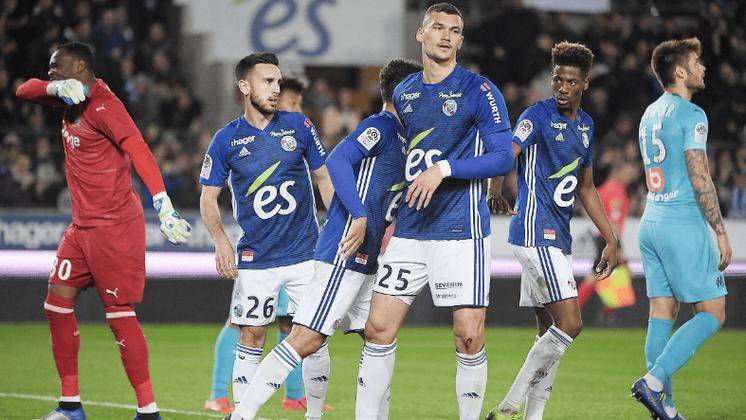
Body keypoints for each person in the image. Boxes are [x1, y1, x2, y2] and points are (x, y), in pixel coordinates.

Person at [228, 58, 422, 420]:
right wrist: (359, 215)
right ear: (403, 94)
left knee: (380, 336)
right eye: (419, 89)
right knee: (307, 338)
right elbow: (337, 161)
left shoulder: (405, 137)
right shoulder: (379, 126)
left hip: (369, 256)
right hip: (344, 251)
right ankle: (240, 415)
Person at [16, 41, 192, 420]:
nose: (50, 72)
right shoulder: (67, 98)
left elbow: (139, 149)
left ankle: (148, 412)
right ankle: (70, 406)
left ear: (80, 65)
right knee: (56, 304)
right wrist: (53, 87)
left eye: (57, 67)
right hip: (81, 228)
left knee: (119, 315)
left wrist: (163, 204)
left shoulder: (105, 106)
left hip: (115, 228)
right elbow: (23, 90)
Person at [356, 4, 515, 420]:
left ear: (461, 40)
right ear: (420, 34)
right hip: (410, 231)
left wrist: (444, 169)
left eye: (454, 30)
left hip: (462, 231)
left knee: (468, 337)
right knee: (377, 329)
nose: (446, 35)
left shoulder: (480, 90)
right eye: (438, 27)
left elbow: (502, 157)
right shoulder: (405, 93)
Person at [485, 41, 618, 419]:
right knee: (571, 324)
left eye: (571, 82)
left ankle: (534, 415)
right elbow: (507, 153)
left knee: (550, 332)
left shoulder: (586, 126)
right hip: (534, 231)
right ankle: (508, 407)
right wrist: (495, 189)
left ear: (585, 84)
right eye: (557, 80)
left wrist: (611, 237)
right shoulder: (536, 115)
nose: (562, 88)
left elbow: (586, 188)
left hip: (557, 236)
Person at [199, 52, 333, 415]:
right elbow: (208, 198)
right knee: (250, 335)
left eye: (278, 82)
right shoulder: (226, 140)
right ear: (245, 86)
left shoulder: (299, 126)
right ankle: (242, 411)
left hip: (306, 255)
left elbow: (324, 179)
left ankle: (313, 412)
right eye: (267, 82)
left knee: (314, 338)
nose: (275, 89)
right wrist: (221, 241)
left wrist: (339, 227)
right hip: (256, 258)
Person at [630, 37, 731, 420]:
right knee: (713, 312)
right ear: (680, 72)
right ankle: (653, 382)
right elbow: (700, 175)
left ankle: (666, 408)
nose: (702, 67)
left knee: (662, 310)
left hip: (651, 220)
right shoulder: (692, 115)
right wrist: (720, 230)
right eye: (696, 62)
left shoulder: (650, 113)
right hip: (681, 221)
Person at [577, 160, 639, 318]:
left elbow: (587, 208)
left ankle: (606, 312)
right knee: (601, 276)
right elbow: (613, 223)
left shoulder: (605, 188)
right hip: (609, 239)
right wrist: (618, 248)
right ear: (619, 170)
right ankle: (586, 311)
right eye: (629, 170)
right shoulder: (616, 191)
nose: (633, 174)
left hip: (604, 237)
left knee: (604, 275)